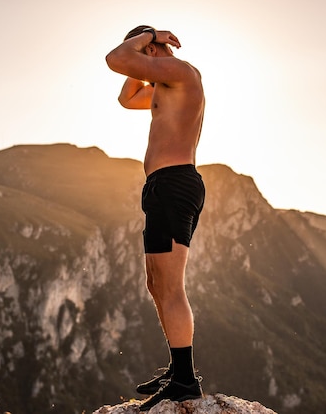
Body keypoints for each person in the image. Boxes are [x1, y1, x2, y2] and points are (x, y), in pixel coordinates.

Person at [105, 25, 206, 411]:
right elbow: (126, 97)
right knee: (155, 281)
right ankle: (178, 368)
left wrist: (146, 35)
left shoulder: (183, 74)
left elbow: (116, 59)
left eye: (146, 51)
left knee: (171, 285)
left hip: (175, 185)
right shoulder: (163, 88)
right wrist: (143, 61)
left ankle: (184, 380)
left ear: (152, 47)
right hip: (162, 188)